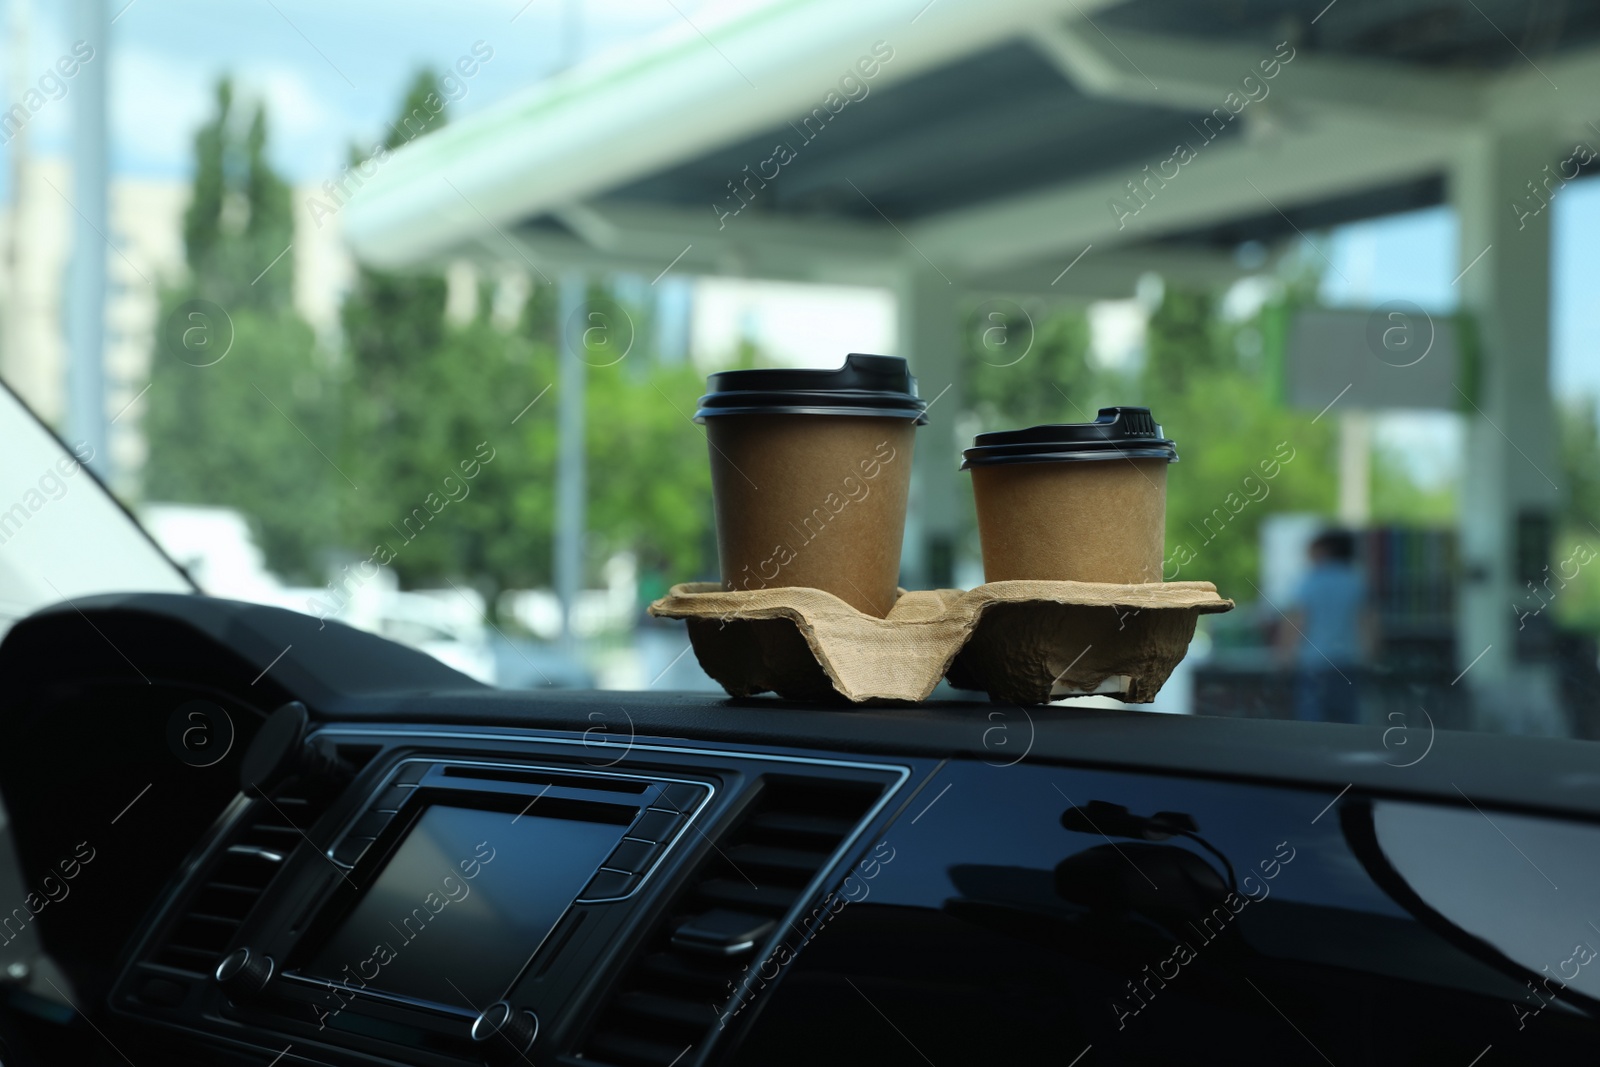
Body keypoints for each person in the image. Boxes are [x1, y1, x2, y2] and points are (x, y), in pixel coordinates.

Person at [1278, 529, 1374, 724]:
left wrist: (1284, 656)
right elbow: (1368, 623)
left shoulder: (1309, 582)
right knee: (1347, 722)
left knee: (1313, 723)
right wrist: (1370, 655)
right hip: (1347, 662)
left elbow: (1296, 622)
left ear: (1324, 550)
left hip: (1314, 664)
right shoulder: (1356, 581)